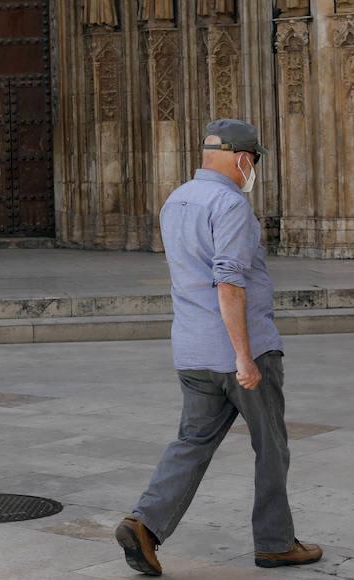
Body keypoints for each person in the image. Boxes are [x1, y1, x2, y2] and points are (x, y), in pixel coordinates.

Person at [116, 119, 322, 575]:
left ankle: (144, 526)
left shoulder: (177, 199)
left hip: (191, 348)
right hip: (238, 350)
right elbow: (228, 281)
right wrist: (244, 357)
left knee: (192, 442)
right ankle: (274, 542)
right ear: (244, 159)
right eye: (255, 162)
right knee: (271, 446)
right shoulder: (231, 205)